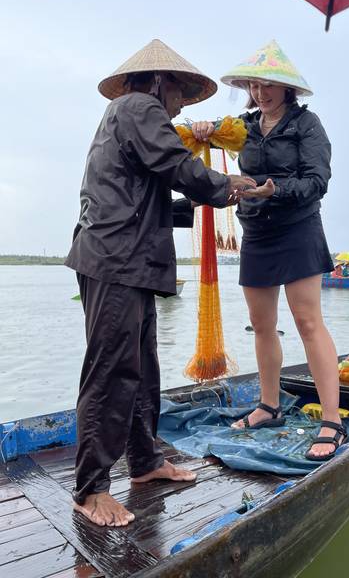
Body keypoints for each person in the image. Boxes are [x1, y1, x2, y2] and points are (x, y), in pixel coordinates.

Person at [65, 39, 256, 527]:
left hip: (127, 258)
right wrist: (225, 186)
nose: (180, 104)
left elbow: (148, 195)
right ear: (158, 81)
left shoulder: (130, 116)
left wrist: (204, 201)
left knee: (141, 367)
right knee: (110, 371)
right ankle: (90, 489)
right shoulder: (138, 106)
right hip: (114, 259)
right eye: (180, 92)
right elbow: (176, 165)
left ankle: (145, 461)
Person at [191, 40, 348, 462]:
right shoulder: (242, 127)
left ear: (286, 87)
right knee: (262, 324)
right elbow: (208, 137)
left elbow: (318, 181)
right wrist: (204, 130)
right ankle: (269, 405)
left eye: (268, 86)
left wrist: (275, 189)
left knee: (308, 321)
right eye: (254, 86)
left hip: (298, 227)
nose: (260, 93)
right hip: (257, 231)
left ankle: (332, 420)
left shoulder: (306, 124)